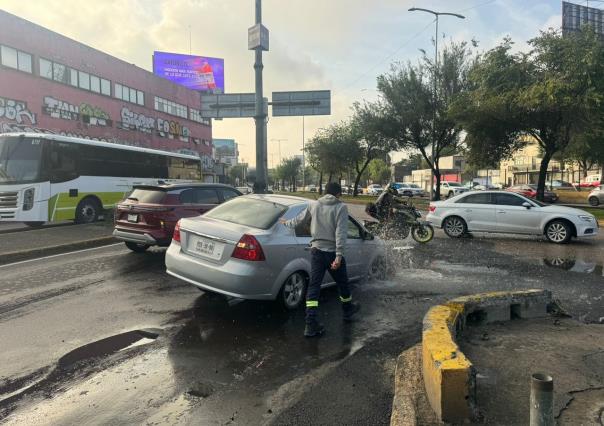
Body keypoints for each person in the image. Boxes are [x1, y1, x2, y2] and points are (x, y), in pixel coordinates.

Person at [280, 182, 360, 338]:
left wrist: (285, 223)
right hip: (332, 253)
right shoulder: (341, 208)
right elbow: (341, 233)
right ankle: (347, 309)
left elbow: (298, 220)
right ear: (338, 194)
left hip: (316, 252)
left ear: (325, 192)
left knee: (314, 287)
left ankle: (310, 324)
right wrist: (338, 256)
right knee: (343, 283)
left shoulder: (313, 204)